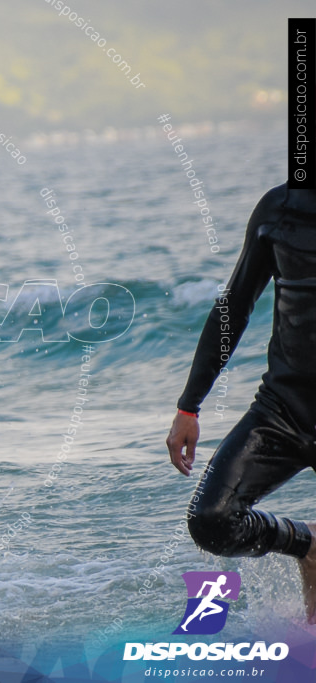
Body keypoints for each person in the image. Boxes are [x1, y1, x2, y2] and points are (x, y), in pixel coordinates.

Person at [166, 184, 316, 623]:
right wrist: (189, 406)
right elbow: (233, 306)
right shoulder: (280, 208)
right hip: (282, 411)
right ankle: (307, 546)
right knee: (211, 520)